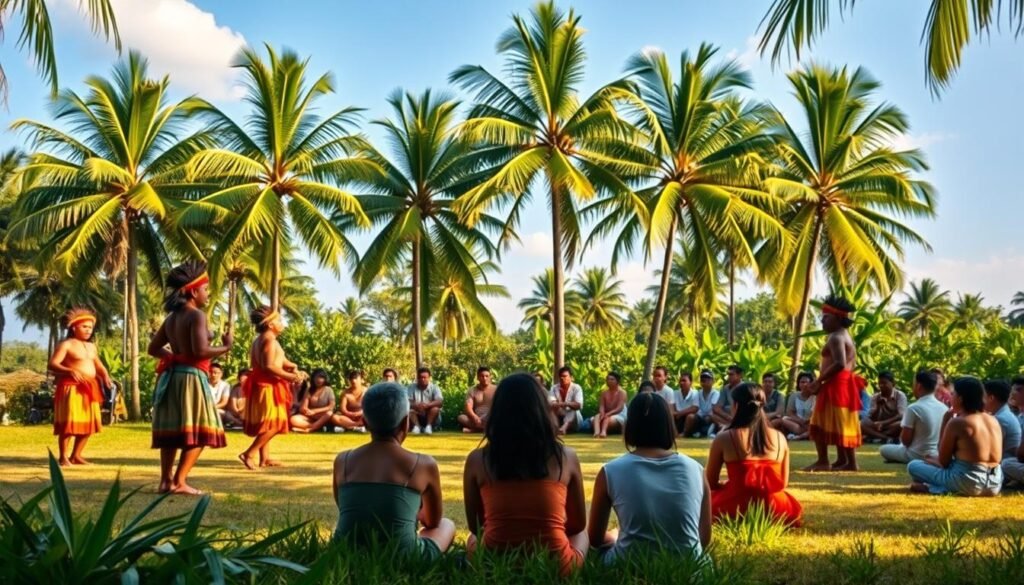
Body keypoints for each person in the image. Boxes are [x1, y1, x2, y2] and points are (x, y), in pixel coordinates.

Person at [463, 373, 588, 576]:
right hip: (556, 568)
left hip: (493, 565)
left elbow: (476, 526)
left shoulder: (477, 460)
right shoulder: (566, 457)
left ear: (497, 412)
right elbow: (577, 525)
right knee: (582, 534)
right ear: (542, 410)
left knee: (472, 540)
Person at [332, 382, 455, 559]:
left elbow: (348, 508)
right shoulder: (424, 464)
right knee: (446, 525)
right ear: (406, 422)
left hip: (345, 551)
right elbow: (432, 522)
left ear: (365, 422)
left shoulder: (342, 461)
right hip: (405, 557)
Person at [588, 392, 711, 562]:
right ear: (668, 425)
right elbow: (703, 539)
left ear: (630, 426)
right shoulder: (696, 469)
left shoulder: (610, 471)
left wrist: (614, 536)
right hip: (692, 567)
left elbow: (594, 539)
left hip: (628, 565)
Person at [148, 261, 231, 494]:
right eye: (205, 289)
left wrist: (175, 358)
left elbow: (153, 349)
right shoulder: (197, 315)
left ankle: (165, 481)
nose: (207, 294)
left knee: (173, 432)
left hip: (173, 377)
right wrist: (226, 347)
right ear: (194, 291)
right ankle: (180, 481)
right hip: (192, 379)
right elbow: (201, 352)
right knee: (201, 431)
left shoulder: (172, 318)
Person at [706, 383, 803, 526]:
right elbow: (783, 482)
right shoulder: (780, 438)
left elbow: (710, 482)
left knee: (703, 502)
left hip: (737, 506)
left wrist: (729, 487)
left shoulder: (724, 438)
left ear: (736, 406)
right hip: (776, 508)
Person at [908, 376, 1003, 496]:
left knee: (913, 465)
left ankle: (933, 488)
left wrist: (945, 421)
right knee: (930, 459)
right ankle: (938, 486)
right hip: (995, 484)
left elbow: (943, 461)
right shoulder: (993, 419)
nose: (950, 398)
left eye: (953, 394)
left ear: (960, 399)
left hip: (969, 482)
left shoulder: (959, 422)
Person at [804, 296, 865, 472]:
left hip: (836, 383)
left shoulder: (836, 337)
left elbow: (839, 363)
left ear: (838, 318)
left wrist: (818, 380)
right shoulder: (844, 335)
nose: (822, 321)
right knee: (841, 421)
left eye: (825, 317)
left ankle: (823, 460)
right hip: (843, 383)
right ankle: (845, 461)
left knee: (821, 420)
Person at [239, 306, 304, 470]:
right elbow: (269, 366)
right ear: (270, 324)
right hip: (267, 387)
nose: (283, 324)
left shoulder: (261, 339)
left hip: (263, 386)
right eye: (279, 320)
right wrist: (290, 377)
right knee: (275, 424)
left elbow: (278, 360)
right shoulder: (269, 340)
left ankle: (265, 458)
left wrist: (292, 365)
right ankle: (249, 454)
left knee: (267, 424)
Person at [49, 308, 111, 466]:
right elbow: (53, 364)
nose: (88, 330)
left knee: (89, 424)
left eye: (90, 327)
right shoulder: (66, 345)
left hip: (90, 387)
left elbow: (99, 365)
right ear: (74, 327)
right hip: (71, 388)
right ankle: (63, 457)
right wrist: (70, 370)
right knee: (70, 424)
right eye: (85, 327)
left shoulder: (91, 347)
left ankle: (76, 455)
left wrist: (105, 376)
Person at [880, 370, 949, 464]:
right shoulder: (944, 408)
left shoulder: (914, 408)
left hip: (916, 454)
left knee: (883, 449)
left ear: (919, 386)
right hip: (935, 454)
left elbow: (905, 441)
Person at [860, 372, 908, 443]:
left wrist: (883, 423)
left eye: (884, 383)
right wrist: (878, 407)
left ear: (893, 384)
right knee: (862, 423)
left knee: (901, 425)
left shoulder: (900, 396)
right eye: (880, 383)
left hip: (892, 425)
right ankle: (886, 438)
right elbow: (870, 416)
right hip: (877, 426)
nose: (881, 386)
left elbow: (901, 415)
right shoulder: (876, 397)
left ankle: (873, 437)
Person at [983, 380, 1021, 461]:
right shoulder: (1003, 414)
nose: (980, 401)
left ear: (991, 398)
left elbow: (988, 449)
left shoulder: (1000, 419)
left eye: (982, 396)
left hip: (1003, 464)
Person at [774, 372, 816, 440]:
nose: (804, 384)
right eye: (802, 382)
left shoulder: (815, 397)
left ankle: (799, 436)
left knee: (815, 428)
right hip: (796, 423)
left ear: (811, 383)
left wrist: (807, 422)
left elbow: (816, 415)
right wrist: (800, 421)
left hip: (811, 424)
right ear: (798, 384)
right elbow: (790, 413)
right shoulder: (794, 395)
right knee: (781, 420)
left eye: (807, 382)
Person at [680, 370, 719, 438]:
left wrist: (708, 416)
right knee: (690, 417)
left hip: (710, 418)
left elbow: (714, 409)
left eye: (707, 378)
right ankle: (686, 433)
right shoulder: (698, 393)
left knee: (713, 417)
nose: (704, 380)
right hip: (700, 418)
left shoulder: (715, 393)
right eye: (702, 378)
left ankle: (713, 431)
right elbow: (696, 407)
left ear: (712, 381)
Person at [458, 366, 497, 433]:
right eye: (482, 376)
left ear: (490, 377)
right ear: (478, 377)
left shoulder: (496, 389)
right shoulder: (472, 390)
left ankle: (475, 430)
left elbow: (500, 406)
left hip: (491, 418)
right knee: (461, 417)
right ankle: (484, 429)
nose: (484, 378)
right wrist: (474, 417)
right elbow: (468, 407)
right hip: (476, 420)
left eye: (487, 376)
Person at [1001, 377, 1024, 483]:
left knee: (1006, 464)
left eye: (1018, 390)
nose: (1013, 394)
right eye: (1013, 390)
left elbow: (1021, 454)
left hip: (1019, 459)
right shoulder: (1019, 417)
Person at [591, 372, 628, 438]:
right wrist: (602, 412)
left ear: (617, 381)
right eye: (608, 379)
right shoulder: (604, 393)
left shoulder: (622, 392)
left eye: (612, 379)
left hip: (619, 414)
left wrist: (609, 413)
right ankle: (597, 432)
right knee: (596, 417)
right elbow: (602, 405)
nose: (609, 381)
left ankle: (603, 432)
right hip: (606, 413)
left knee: (607, 418)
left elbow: (619, 408)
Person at [549, 366, 584, 435]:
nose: (562, 378)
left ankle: (564, 428)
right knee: (552, 408)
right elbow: (552, 403)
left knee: (573, 409)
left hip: (574, 422)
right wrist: (559, 404)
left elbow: (579, 405)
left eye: (565, 376)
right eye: (560, 376)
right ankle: (553, 427)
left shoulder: (577, 388)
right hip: (559, 417)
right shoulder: (554, 388)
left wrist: (565, 403)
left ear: (571, 377)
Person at [408, 367, 442, 435]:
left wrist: (427, 405)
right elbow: (407, 400)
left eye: (425, 377)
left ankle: (428, 427)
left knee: (435, 409)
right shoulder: (411, 387)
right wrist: (417, 405)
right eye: (420, 377)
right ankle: (417, 427)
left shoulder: (435, 387)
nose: (422, 379)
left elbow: (440, 401)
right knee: (409, 410)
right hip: (416, 413)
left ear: (429, 378)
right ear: (417, 378)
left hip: (430, 414)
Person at [711, 365, 744, 435]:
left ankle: (726, 427)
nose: (729, 377)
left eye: (731, 374)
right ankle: (728, 427)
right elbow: (717, 407)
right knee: (712, 415)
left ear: (739, 375)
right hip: (728, 417)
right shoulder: (725, 388)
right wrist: (728, 417)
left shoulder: (746, 388)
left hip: (741, 416)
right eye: (728, 374)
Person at [209, 363, 234, 428]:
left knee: (224, 415)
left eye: (215, 372)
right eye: (211, 372)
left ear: (221, 374)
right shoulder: (204, 384)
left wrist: (212, 408)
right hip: (206, 409)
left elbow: (224, 402)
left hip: (219, 410)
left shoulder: (225, 385)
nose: (213, 375)